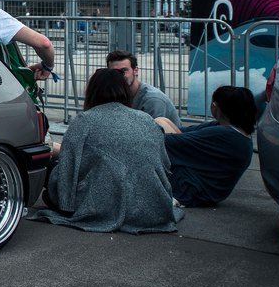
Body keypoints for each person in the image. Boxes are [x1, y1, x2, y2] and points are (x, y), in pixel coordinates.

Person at [28, 68, 182, 233]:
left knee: (48, 166)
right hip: (152, 207)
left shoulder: (84, 120)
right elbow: (165, 165)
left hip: (100, 204)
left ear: (92, 91)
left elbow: (67, 168)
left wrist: (64, 204)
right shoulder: (147, 120)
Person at [161, 85, 255, 207]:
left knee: (160, 126)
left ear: (214, 106)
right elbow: (184, 132)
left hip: (189, 188)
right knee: (163, 122)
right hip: (201, 188)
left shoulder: (227, 135)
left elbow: (172, 142)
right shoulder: (234, 132)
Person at [105, 50, 182, 124]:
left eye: (124, 70)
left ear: (135, 71)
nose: (119, 75)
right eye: (115, 72)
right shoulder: (112, 94)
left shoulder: (153, 100)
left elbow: (154, 132)